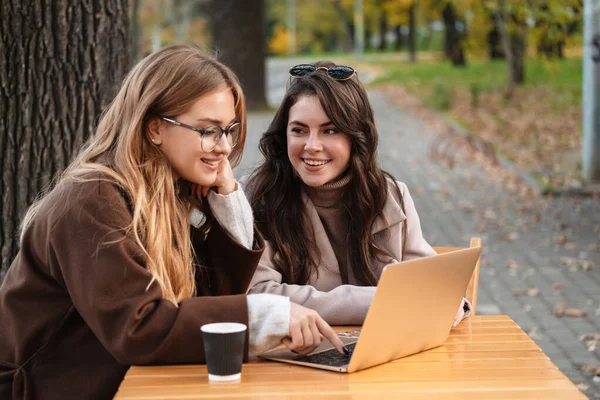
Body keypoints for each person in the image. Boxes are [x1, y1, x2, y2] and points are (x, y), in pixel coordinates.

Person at [0, 46, 344, 400]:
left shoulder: (172, 195)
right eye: (208, 130)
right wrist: (269, 315)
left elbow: (214, 303)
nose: (224, 146)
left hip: (126, 383)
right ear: (154, 129)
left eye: (229, 130)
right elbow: (139, 328)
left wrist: (226, 197)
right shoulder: (91, 200)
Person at [243, 62, 470, 326]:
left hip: (383, 352)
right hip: (292, 354)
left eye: (330, 131)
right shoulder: (258, 195)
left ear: (356, 137)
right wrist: (377, 301)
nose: (311, 145)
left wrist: (452, 301)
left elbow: (429, 281)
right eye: (299, 130)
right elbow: (258, 294)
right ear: (284, 135)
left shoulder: (390, 196)